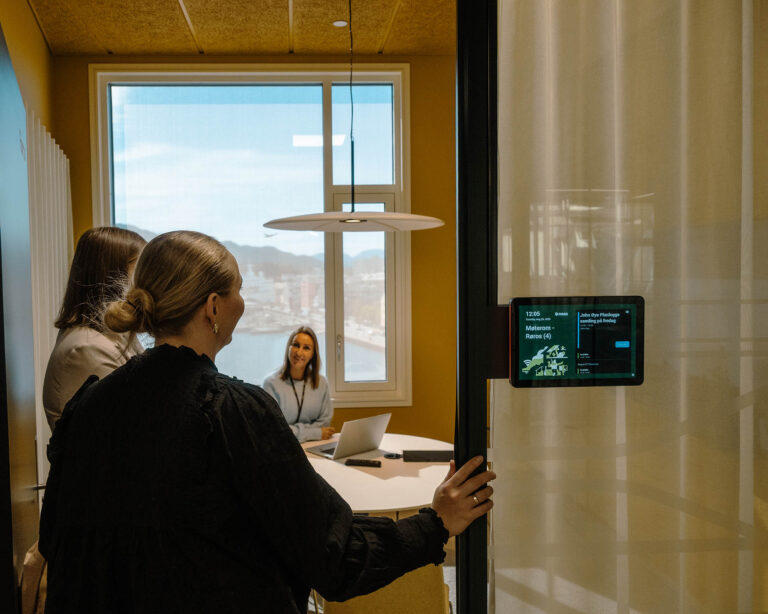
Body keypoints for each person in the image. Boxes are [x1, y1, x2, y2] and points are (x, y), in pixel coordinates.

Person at [38, 230, 495, 614]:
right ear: (213, 307)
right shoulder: (231, 411)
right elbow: (333, 556)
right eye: (238, 290)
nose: (244, 302)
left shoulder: (90, 405)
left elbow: (56, 539)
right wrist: (435, 523)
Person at [42, 226, 146, 430]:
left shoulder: (109, 336)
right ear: (114, 275)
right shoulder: (89, 349)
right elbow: (132, 425)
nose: (145, 283)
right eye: (140, 272)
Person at [263, 326, 335, 442]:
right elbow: (275, 429)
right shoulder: (270, 384)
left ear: (313, 354)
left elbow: (325, 424)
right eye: (296, 345)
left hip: (314, 445)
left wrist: (294, 431)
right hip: (283, 446)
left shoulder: (322, 383)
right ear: (289, 347)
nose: (299, 352)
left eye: (306, 348)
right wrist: (313, 433)